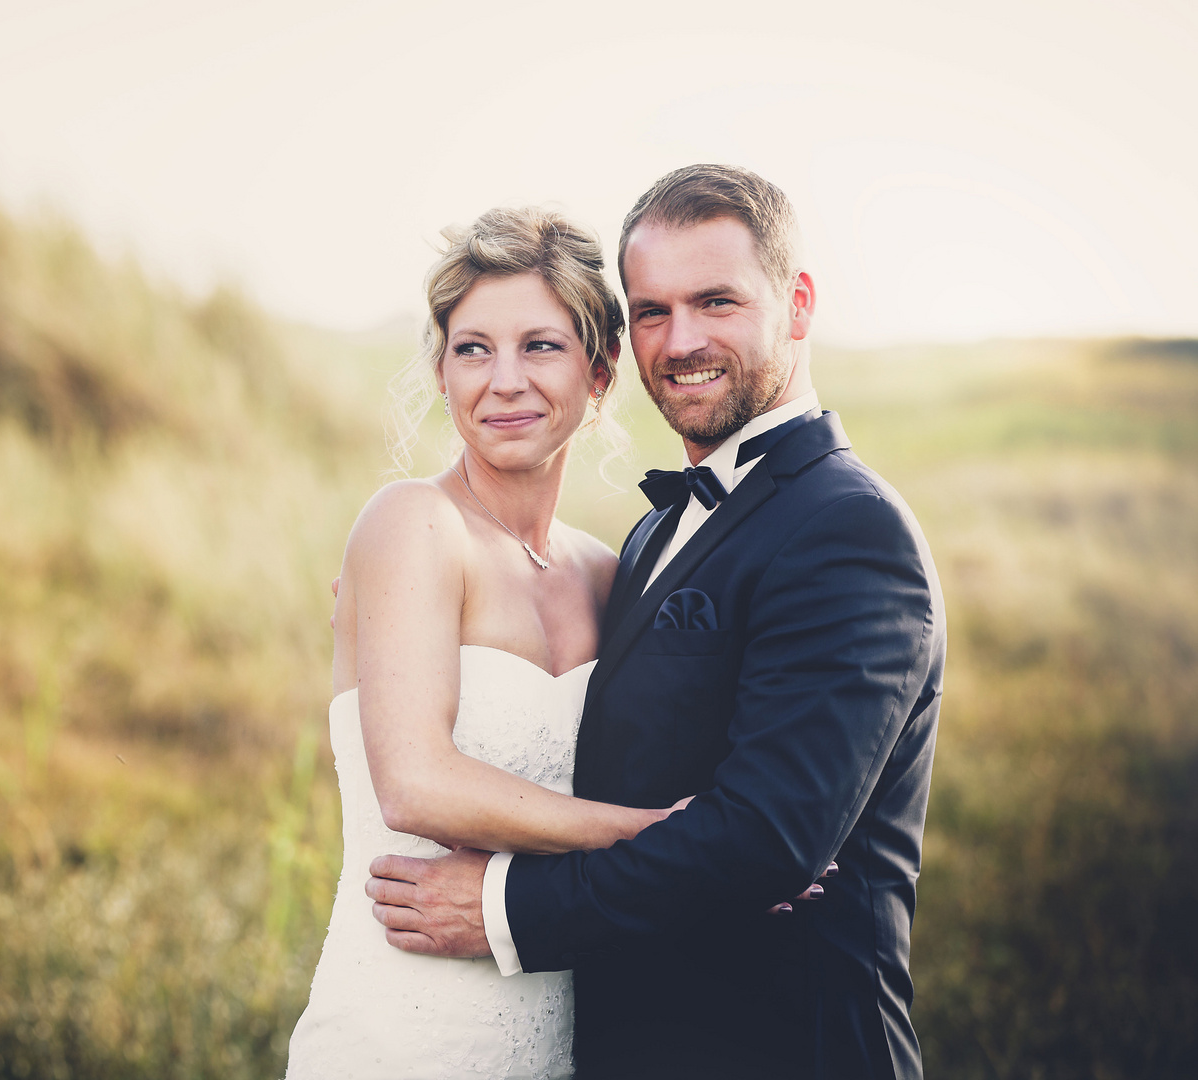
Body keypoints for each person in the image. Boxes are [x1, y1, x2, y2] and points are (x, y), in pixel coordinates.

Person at [366, 165, 946, 1079]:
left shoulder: (848, 528)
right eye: (651, 310)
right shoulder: (643, 540)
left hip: (786, 1050)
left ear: (797, 304)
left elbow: (767, 843)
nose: (681, 341)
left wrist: (506, 910)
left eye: (716, 301)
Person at [285, 206, 694, 1078]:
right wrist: (652, 837)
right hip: (398, 1028)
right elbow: (418, 785)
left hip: (553, 1032)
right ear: (440, 370)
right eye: (473, 349)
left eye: (539, 346)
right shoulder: (410, 523)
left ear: (602, 369)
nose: (503, 381)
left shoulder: (606, 573)